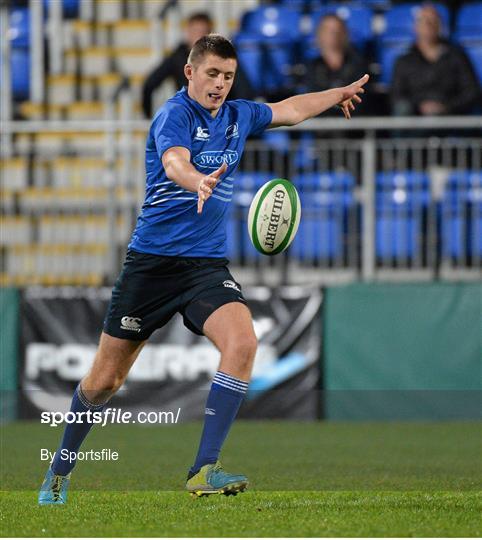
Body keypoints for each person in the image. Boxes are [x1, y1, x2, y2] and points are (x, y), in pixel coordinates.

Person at [39, 34, 368, 504]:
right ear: (190, 72)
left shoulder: (238, 116)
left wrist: (336, 95)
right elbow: (174, 161)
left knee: (243, 342)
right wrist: (197, 179)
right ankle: (59, 471)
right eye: (212, 73)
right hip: (151, 266)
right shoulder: (173, 115)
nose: (220, 84)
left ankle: (203, 469)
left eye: (228, 76)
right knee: (104, 381)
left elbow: (291, 108)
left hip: (205, 266)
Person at [142, 12, 256, 118]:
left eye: (202, 32)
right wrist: (149, 118)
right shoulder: (177, 57)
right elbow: (150, 84)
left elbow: (244, 91)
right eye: (194, 32)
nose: (198, 37)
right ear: (187, 33)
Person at [390, 5, 479, 116]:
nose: (429, 25)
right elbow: (396, 95)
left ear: (440, 26)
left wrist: (446, 107)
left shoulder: (457, 57)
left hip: (450, 116)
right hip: (415, 119)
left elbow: (471, 92)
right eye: (424, 21)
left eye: (433, 21)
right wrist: (420, 106)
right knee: (402, 108)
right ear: (415, 27)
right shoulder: (404, 61)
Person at [305, 14, 369, 115]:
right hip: (321, 126)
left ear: (344, 33)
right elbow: (310, 102)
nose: (333, 34)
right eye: (327, 30)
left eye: (336, 29)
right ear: (319, 34)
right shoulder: (312, 67)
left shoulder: (358, 64)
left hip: (352, 125)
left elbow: (360, 102)